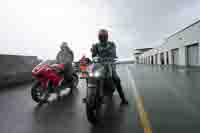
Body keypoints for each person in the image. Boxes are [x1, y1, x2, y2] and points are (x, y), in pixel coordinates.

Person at [91, 29, 128, 105]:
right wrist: (93, 54)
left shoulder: (111, 44)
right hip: (100, 65)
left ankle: (123, 98)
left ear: (107, 37)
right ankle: (93, 95)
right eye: (101, 36)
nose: (102, 38)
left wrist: (111, 57)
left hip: (110, 63)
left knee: (116, 78)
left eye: (104, 36)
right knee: (92, 76)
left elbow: (113, 53)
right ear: (99, 37)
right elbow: (94, 56)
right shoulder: (96, 45)